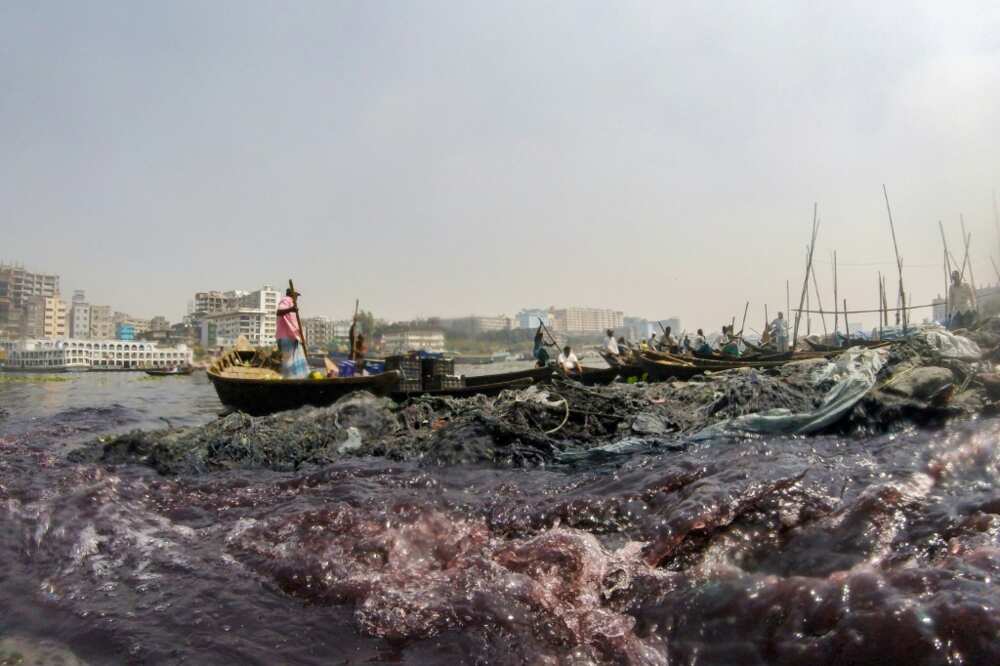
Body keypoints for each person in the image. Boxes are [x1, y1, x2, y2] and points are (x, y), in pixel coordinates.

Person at [275, 288, 309, 378]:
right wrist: (291, 309)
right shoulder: (286, 300)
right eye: (296, 296)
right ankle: (288, 381)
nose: (296, 298)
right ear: (292, 294)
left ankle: (300, 378)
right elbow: (278, 312)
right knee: (288, 362)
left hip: (293, 337)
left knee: (298, 361)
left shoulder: (291, 303)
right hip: (286, 337)